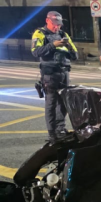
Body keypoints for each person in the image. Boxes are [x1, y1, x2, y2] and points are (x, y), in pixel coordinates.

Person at [31, 11, 78, 141]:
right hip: (50, 74)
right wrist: (53, 45)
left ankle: (60, 129)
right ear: (47, 21)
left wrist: (68, 46)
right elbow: (36, 52)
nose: (57, 27)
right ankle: (52, 133)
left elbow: (75, 55)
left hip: (64, 73)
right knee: (51, 103)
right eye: (54, 24)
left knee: (63, 103)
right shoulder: (40, 33)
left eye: (59, 24)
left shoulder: (63, 35)